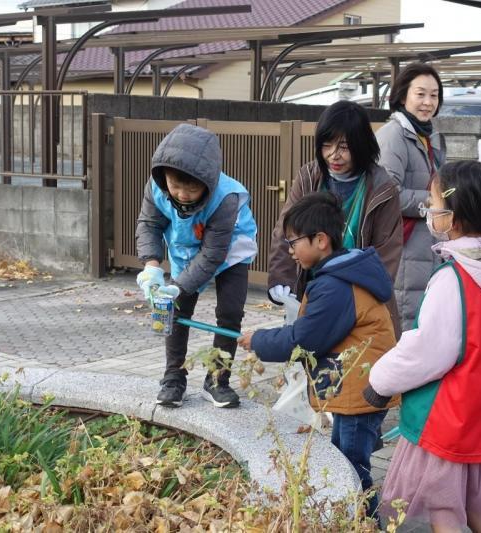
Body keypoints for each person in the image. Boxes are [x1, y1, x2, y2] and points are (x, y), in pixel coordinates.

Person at [363, 160, 481, 533]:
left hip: (449, 414)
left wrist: (380, 381)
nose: (429, 210)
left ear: (453, 217)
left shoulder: (454, 279)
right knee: (480, 505)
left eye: (432, 201)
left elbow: (429, 349)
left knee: (444, 503)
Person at [237, 192, 398, 516]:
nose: (290, 250)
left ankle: (367, 522)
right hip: (361, 387)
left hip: (360, 389)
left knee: (350, 468)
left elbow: (305, 340)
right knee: (347, 460)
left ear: (321, 240)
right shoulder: (343, 274)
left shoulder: (335, 286)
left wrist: (259, 340)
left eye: (293, 241)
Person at [135, 123, 258, 409]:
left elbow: (214, 254)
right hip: (186, 247)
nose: (182, 194)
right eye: (175, 186)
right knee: (174, 310)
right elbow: (149, 224)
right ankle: (173, 377)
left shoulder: (225, 198)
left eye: (191, 188)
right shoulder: (156, 187)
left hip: (229, 251)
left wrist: (177, 286)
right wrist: (151, 266)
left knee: (229, 312)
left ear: (209, 181)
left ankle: (217, 379)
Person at [266, 100, 403, 337]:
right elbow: (286, 231)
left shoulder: (382, 188)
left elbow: (386, 254)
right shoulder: (309, 177)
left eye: (344, 146)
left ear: (361, 145)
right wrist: (281, 277)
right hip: (313, 292)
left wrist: (355, 298)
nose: (333, 155)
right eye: (326, 145)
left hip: (359, 302)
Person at [376, 62, 447, 333]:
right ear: (403, 95)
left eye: (434, 95)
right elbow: (387, 194)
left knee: (424, 325)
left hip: (426, 247)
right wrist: (435, 203)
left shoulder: (429, 136)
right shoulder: (393, 135)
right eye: (421, 94)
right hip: (404, 251)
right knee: (406, 326)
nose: (428, 102)